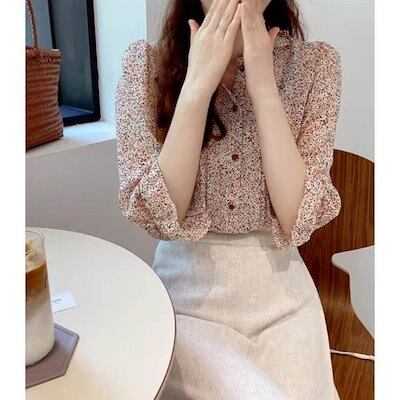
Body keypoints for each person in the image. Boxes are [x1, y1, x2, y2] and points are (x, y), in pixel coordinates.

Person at [115, 0, 342, 398]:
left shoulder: (315, 66)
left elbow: (297, 217)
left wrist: (264, 89)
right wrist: (197, 86)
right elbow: (160, 214)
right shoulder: (144, 66)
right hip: (185, 298)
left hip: (282, 300)